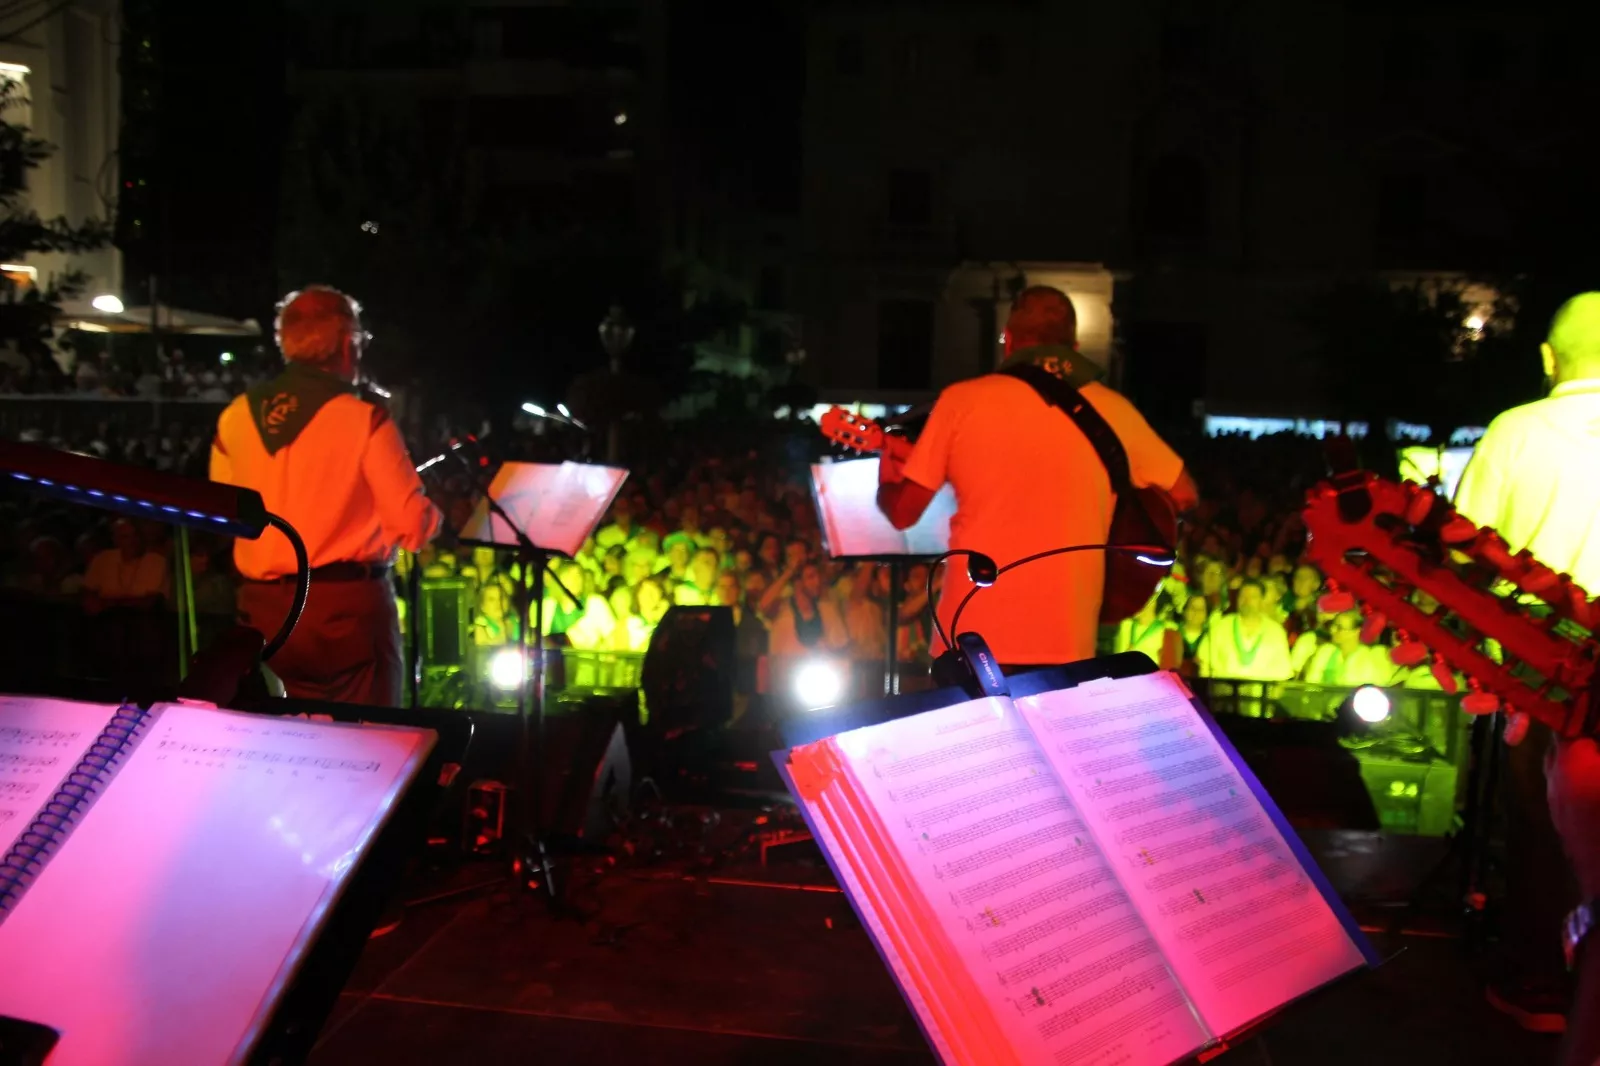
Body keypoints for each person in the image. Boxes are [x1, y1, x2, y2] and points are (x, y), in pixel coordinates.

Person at [877, 285, 1198, 669]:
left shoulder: (962, 401)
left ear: (1008, 341)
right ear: (1074, 347)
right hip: (1068, 639)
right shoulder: (1115, 410)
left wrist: (885, 482)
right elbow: (1183, 494)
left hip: (970, 633)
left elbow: (903, 513)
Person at [1453, 292, 1600, 1032]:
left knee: (1541, 823)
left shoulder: (1516, 430)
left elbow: (1460, 554)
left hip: (1541, 658)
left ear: (1548, 359)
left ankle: (1538, 985)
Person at [210, 285, 441, 706]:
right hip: (347, 613)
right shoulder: (363, 418)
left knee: (277, 746)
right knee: (366, 747)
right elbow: (410, 525)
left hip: (264, 614)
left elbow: (224, 514)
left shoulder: (235, 417)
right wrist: (431, 516)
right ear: (346, 342)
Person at [1195, 579, 1295, 682]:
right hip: (1223, 692)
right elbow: (1204, 661)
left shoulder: (1276, 632)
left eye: (1253, 597)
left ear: (1261, 600)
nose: (1247, 601)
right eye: (1243, 596)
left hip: (1262, 693)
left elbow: (1283, 672)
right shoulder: (1221, 626)